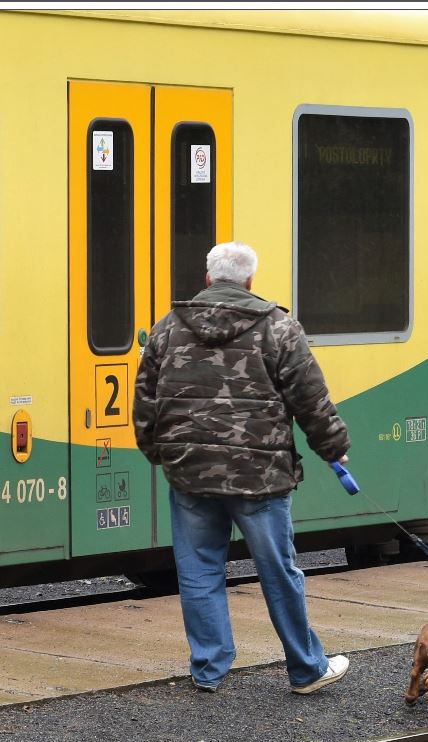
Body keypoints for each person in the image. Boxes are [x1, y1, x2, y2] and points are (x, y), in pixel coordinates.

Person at [133, 241, 351, 695]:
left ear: (208, 278)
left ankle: (208, 669)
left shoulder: (167, 328)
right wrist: (333, 448)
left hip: (190, 473)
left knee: (198, 573)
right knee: (278, 571)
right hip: (259, 476)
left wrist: (162, 454)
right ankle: (307, 669)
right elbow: (310, 398)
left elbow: (145, 402)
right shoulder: (278, 327)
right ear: (250, 282)